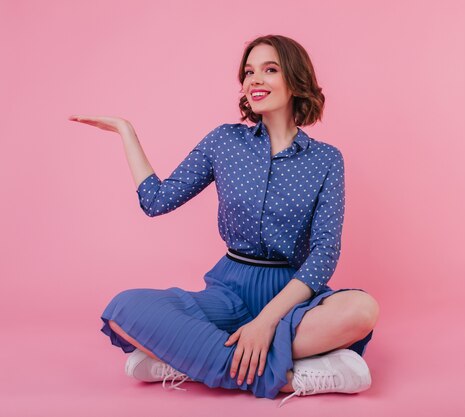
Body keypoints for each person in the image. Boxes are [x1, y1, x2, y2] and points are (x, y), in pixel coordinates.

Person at [68, 34, 379, 407]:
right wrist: (126, 132)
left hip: (292, 297)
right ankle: (290, 377)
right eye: (249, 72)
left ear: (296, 80)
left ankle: (188, 360)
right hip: (228, 292)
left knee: (362, 310)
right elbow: (156, 201)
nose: (254, 80)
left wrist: (265, 322)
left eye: (269, 69)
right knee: (123, 309)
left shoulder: (327, 159)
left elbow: (325, 253)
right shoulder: (224, 142)